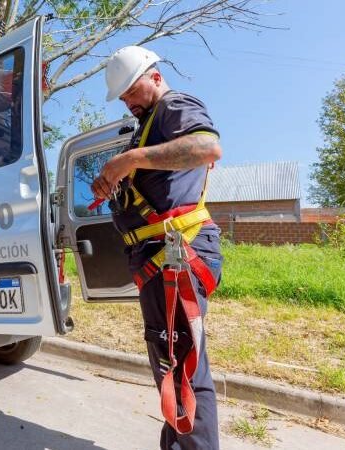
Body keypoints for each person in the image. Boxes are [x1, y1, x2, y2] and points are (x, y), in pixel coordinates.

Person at [92, 46, 224, 450]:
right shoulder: (149, 122)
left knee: (183, 370)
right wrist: (116, 180)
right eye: (124, 97)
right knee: (172, 365)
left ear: (154, 76)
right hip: (160, 257)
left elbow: (206, 148)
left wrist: (129, 159)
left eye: (132, 92)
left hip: (175, 254)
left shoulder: (174, 105)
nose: (128, 102)